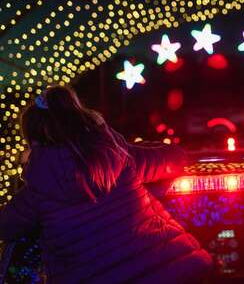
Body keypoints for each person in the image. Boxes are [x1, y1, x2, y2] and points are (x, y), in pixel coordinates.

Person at [0, 86, 212, 283]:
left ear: (33, 138)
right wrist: (129, 148)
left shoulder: (37, 188)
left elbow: (6, 227)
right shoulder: (116, 155)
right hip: (168, 269)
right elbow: (175, 158)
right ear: (78, 117)